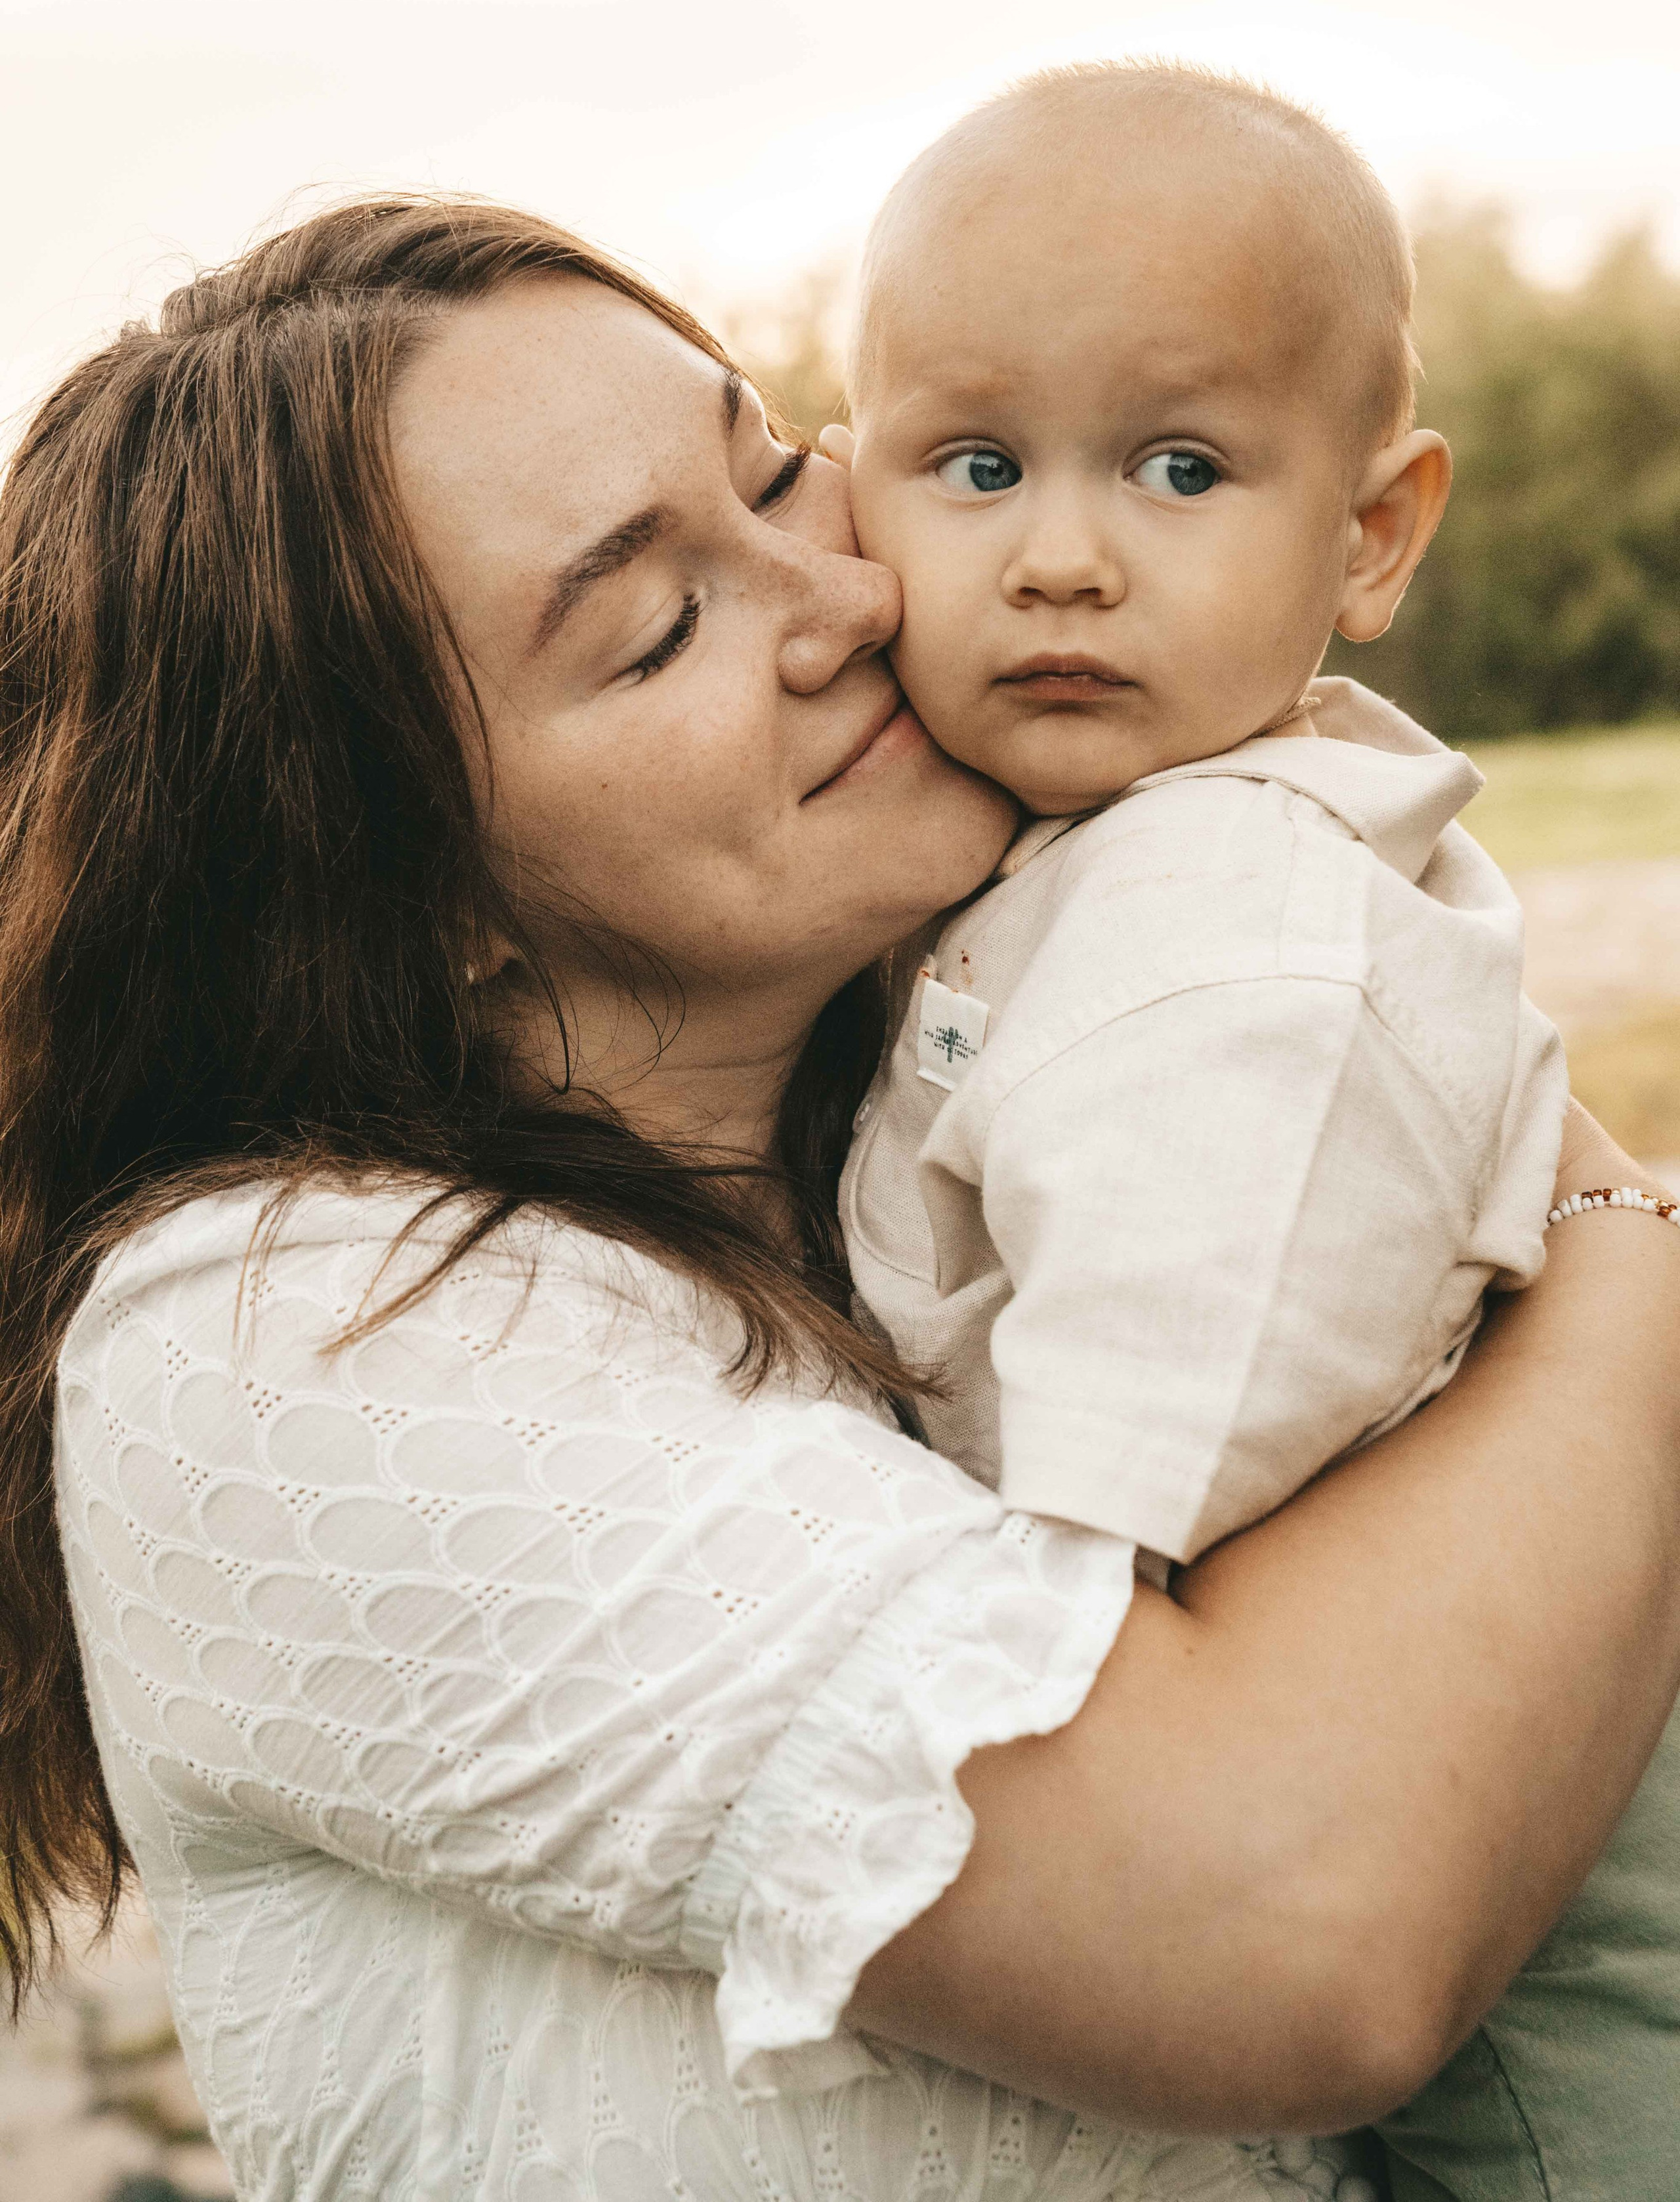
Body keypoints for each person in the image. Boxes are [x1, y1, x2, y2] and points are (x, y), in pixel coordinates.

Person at [0, 197, 1675, 2202]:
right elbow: (1291, 1937)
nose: (847, 597)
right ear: (404, 898)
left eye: (784, 470)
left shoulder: (986, 1099)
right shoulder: (273, 1333)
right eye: (656, 626)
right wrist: (1615, 1240)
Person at [828, 60, 1680, 2198]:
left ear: (1373, 532)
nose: (1061, 558)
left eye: (1181, 467)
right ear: (855, 504)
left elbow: (1153, 1495)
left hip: (1547, 1884)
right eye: (977, 464)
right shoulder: (1109, 866)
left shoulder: (1232, 927)